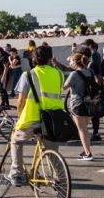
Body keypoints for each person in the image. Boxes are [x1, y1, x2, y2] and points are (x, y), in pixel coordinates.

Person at [7, 46, 64, 186]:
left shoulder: (28, 75)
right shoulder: (59, 74)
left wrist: (20, 116)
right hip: (52, 120)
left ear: (34, 59)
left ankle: (17, 173)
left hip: (32, 118)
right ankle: (64, 191)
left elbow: (20, 101)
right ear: (51, 58)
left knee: (16, 141)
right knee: (53, 153)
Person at [63, 53, 93, 160]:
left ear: (75, 62)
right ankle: (86, 149)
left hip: (78, 104)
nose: (70, 63)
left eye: (71, 61)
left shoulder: (74, 74)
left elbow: (64, 87)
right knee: (85, 129)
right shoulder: (90, 71)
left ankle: (88, 153)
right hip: (91, 104)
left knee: (82, 129)